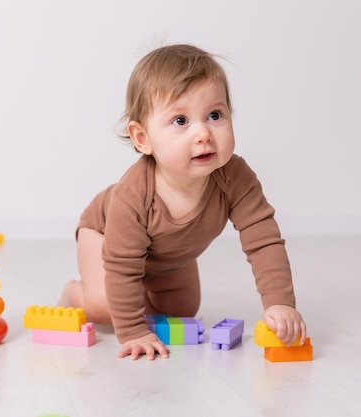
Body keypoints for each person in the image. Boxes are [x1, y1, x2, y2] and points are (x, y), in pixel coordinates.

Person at [59, 43, 307, 360]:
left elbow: (263, 239)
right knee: (104, 306)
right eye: (180, 121)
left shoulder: (235, 177)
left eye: (214, 115)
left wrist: (280, 301)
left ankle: (134, 300)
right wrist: (134, 331)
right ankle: (75, 292)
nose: (203, 133)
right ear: (142, 138)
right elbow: (122, 267)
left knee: (182, 309)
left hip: (167, 253)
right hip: (106, 236)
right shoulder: (133, 195)